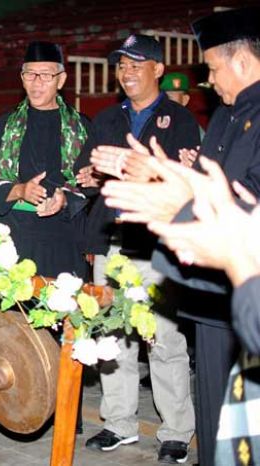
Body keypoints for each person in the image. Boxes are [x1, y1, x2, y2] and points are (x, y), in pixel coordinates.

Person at [94, 8, 260, 463]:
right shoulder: (227, 116)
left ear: (242, 63)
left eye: (213, 69)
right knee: (216, 408)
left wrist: (172, 193)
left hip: (246, 282)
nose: (209, 81)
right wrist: (167, 174)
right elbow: (215, 183)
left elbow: (247, 202)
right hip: (214, 289)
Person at [81, 34, 199, 464]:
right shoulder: (108, 117)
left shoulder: (179, 120)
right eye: (121, 65)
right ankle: (119, 422)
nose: (127, 72)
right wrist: (88, 178)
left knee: (163, 338)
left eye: (136, 64)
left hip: (156, 244)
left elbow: (186, 181)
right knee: (113, 334)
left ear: (158, 70)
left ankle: (176, 431)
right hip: (112, 239)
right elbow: (86, 168)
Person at [0, 41, 91, 279]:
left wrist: (64, 199)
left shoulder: (81, 127)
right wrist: (20, 190)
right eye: (30, 74)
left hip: (63, 237)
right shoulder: (4, 126)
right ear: (22, 78)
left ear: (61, 80)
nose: (37, 82)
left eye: (45, 75)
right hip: (14, 237)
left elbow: (91, 184)